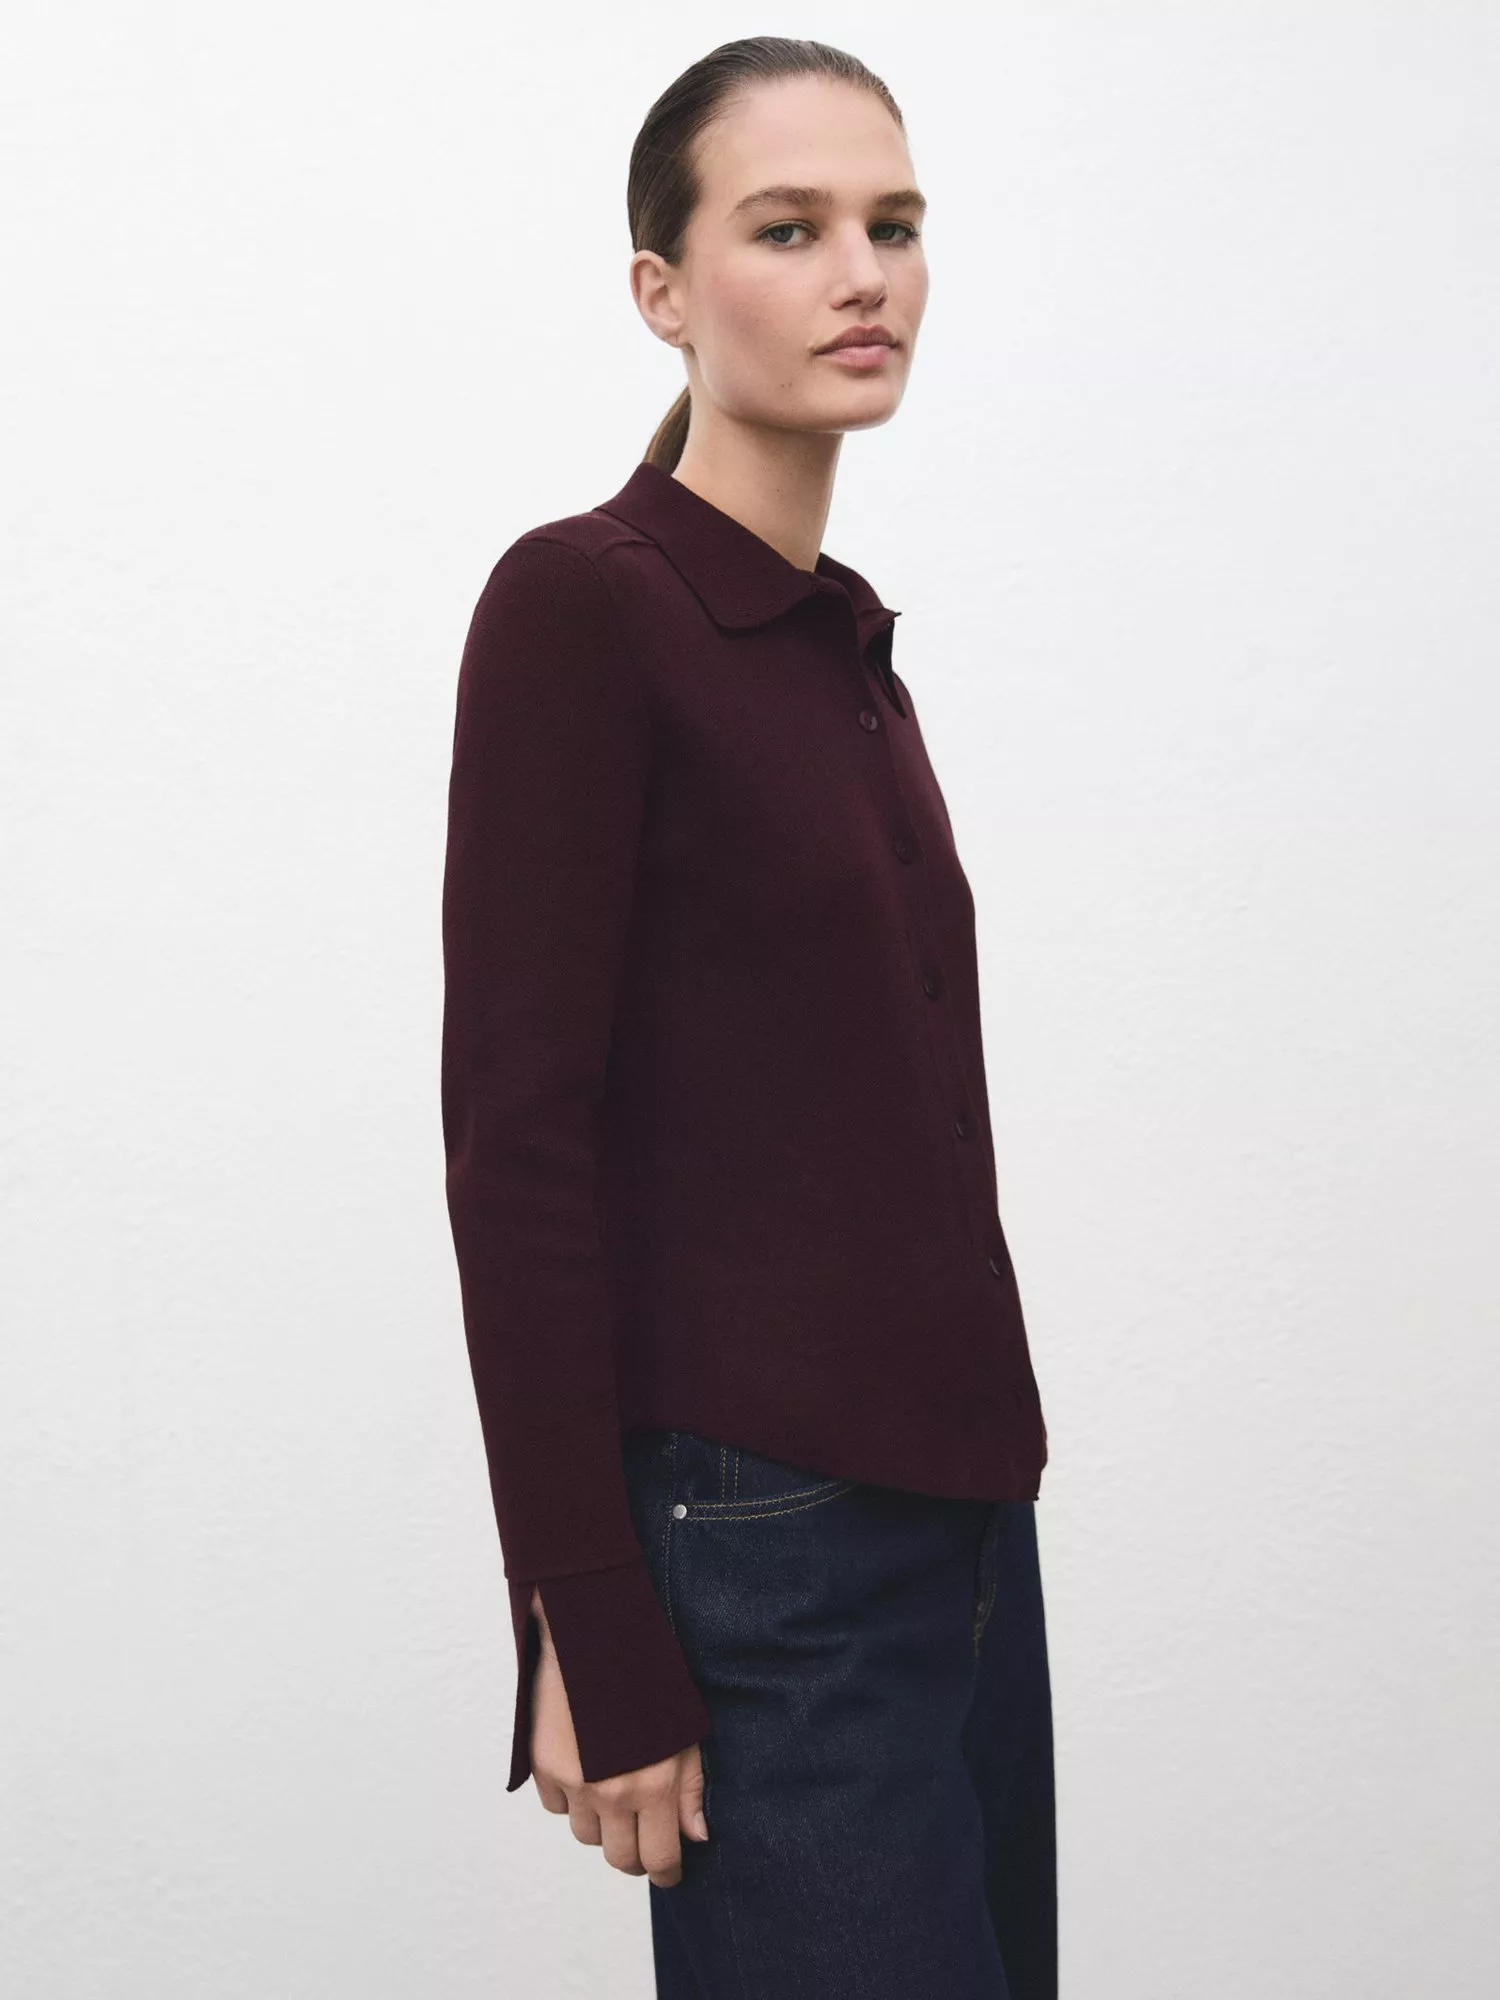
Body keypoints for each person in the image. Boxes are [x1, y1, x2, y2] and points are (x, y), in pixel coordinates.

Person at [440, 34, 1056, 2000]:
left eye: (895, 225)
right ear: (664, 289)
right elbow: (519, 1140)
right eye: (788, 230)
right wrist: (583, 1610)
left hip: (963, 1528)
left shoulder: (838, 644)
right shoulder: (588, 604)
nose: (863, 275)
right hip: (766, 1547)